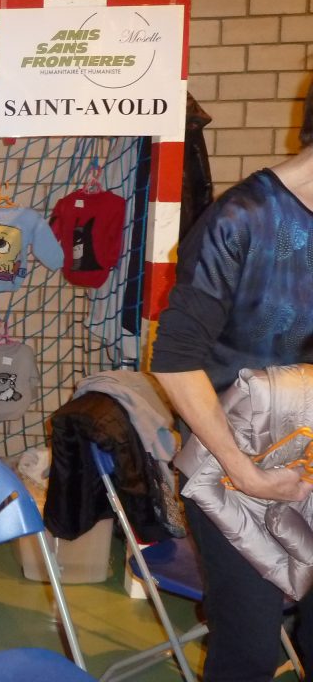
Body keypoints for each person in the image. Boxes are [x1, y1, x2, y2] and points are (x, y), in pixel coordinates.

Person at [150, 81, 313, 680]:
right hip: (237, 466)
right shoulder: (241, 219)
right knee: (248, 650)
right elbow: (174, 360)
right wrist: (245, 473)